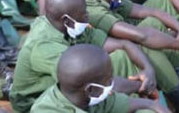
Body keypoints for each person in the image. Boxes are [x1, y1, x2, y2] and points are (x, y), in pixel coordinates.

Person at [9, 0, 157, 113]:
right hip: (37, 103)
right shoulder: (44, 46)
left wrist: (147, 70)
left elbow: (123, 44)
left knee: (121, 57)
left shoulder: (69, 26)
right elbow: (85, 81)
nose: (87, 16)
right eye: (84, 13)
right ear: (66, 19)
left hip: (77, 91)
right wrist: (141, 86)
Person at [32, 44, 170, 113]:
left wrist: (154, 105)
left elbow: (123, 103)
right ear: (91, 89)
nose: (112, 84)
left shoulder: (81, 97)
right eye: (109, 80)